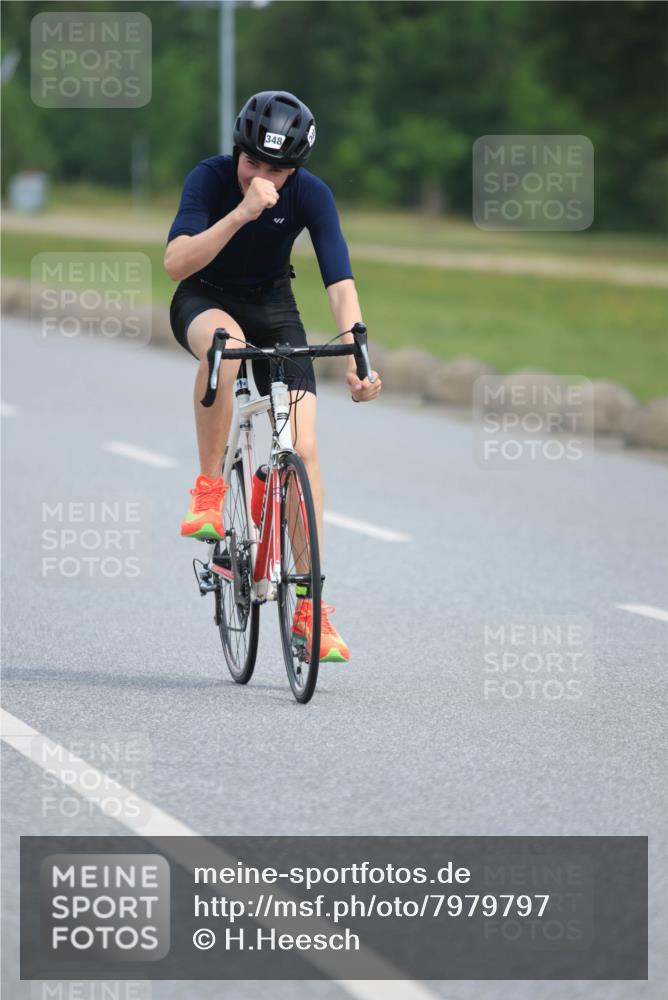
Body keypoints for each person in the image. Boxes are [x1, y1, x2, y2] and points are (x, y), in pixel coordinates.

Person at [164, 90, 381, 663]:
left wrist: (360, 357)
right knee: (225, 348)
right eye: (252, 162)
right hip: (204, 297)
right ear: (238, 150)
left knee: (303, 447)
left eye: (277, 170)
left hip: (273, 305)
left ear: (297, 170)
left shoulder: (311, 195)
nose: (261, 176)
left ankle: (311, 608)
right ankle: (210, 490)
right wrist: (242, 211)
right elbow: (175, 264)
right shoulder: (210, 181)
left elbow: (339, 281)